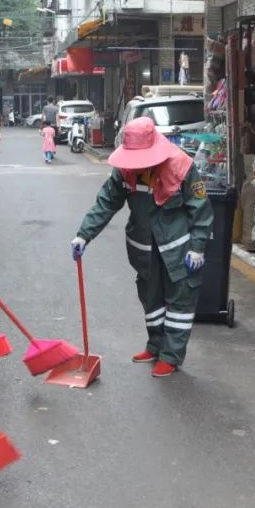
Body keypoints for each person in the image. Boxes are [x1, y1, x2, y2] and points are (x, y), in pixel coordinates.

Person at [71, 117, 214, 377]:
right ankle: (155, 345)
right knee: (151, 299)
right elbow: (106, 202)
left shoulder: (180, 166)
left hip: (178, 250)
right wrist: (84, 235)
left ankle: (171, 356)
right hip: (144, 249)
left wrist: (198, 246)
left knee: (179, 302)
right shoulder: (124, 170)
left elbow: (200, 208)